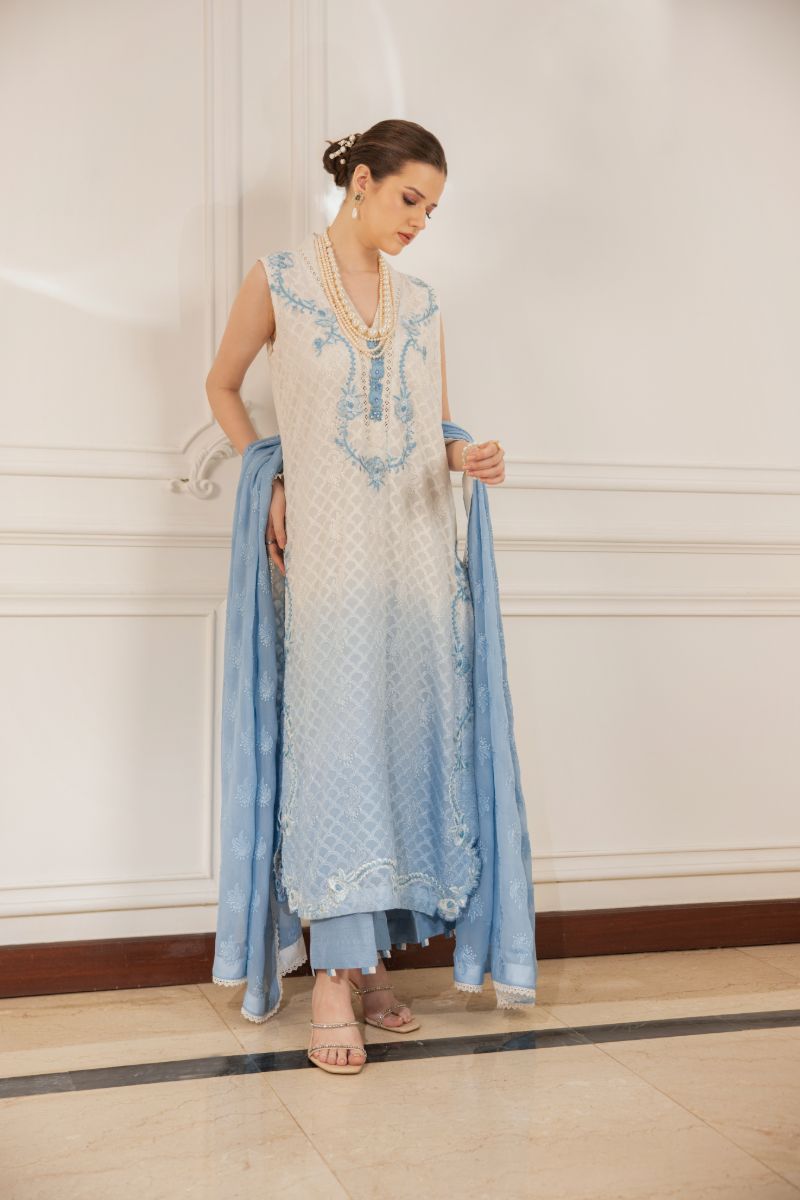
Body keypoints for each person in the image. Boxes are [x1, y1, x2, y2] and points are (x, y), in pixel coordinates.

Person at [207, 118, 535, 1077]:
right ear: (360, 181)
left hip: (417, 559)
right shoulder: (278, 281)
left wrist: (469, 456)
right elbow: (223, 387)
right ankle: (331, 982)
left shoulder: (422, 304)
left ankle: (371, 962)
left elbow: (432, 428)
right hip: (328, 560)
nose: (420, 221)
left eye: (432, 209)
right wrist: (265, 476)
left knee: (397, 750)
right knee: (337, 755)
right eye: (408, 198)